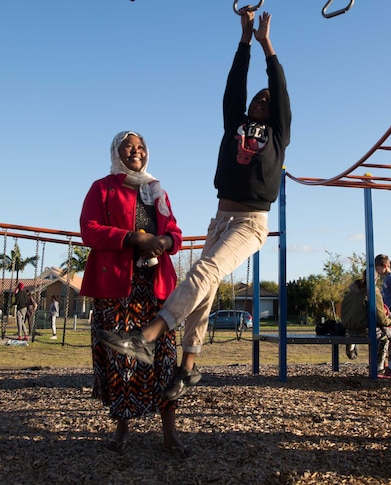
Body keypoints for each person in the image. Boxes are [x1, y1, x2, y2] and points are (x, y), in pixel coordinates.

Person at [98, 8, 290, 402]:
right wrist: (244, 39)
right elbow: (235, 85)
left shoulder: (278, 134)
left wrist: (267, 44)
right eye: (259, 96)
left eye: (268, 99)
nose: (262, 98)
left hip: (251, 222)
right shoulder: (233, 124)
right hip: (221, 218)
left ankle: (149, 335)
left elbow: (279, 89)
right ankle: (188, 367)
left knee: (205, 269)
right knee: (206, 287)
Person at [79, 130, 186, 457]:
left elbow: (174, 234)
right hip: (117, 289)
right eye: (128, 147)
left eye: (140, 147)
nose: (135, 152)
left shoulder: (157, 189)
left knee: (164, 359)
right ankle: (122, 428)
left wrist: (164, 242)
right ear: (116, 152)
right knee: (122, 359)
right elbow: (89, 229)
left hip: (155, 287)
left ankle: (170, 434)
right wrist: (134, 238)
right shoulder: (103, 188)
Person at [341, 278, 391, 380]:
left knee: (382, 334)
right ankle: (386, 367)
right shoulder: (372, 293)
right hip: (366, 330)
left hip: (349, 330)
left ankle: (352, 346)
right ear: (375, 279)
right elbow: (381, 318)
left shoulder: (350, 293)